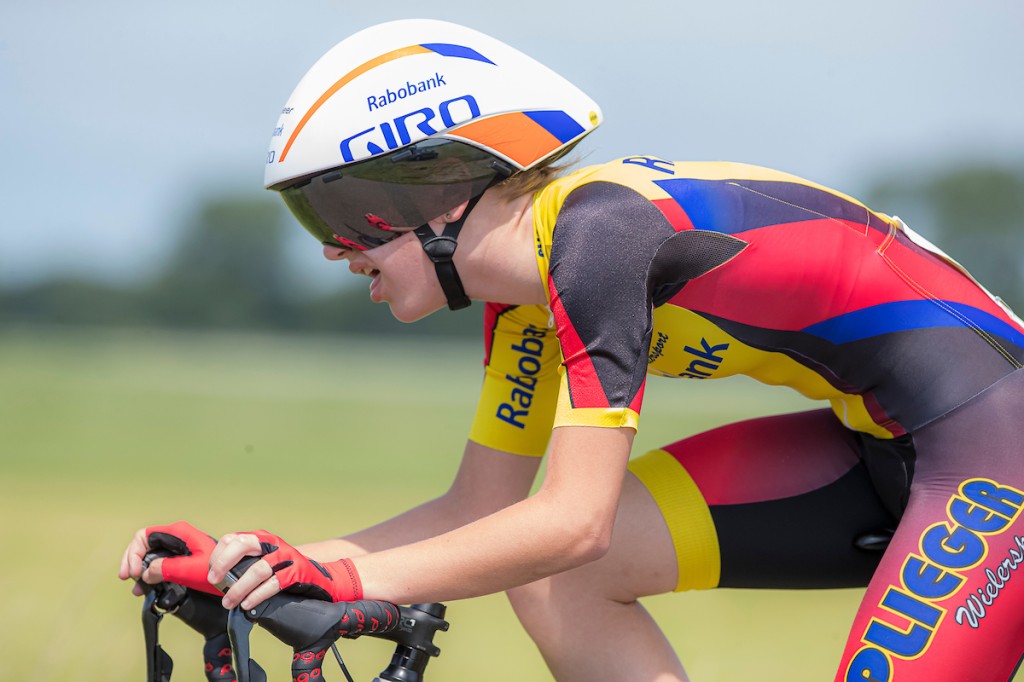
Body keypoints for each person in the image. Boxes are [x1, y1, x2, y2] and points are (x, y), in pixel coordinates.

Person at [119, 18, 1024, 682]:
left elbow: (572, 519)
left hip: (996, 449)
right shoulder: (528, 297)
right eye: (315, 218)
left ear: (447, 188)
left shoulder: (598, 240)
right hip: (878, 443)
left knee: (565, 557)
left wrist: (350, 579)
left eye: (352, 212)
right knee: (560, 584)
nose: (334, 249)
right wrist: (267, 569)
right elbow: (481, 509)